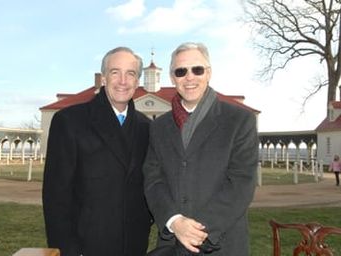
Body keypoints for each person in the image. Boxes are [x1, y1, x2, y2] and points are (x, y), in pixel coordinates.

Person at [143, 42, 259, 255]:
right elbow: (153, 179)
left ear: (209, 73)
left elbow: (241, 183)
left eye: (197, 69)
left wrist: (196, 232)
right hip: (171, 244)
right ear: (172, 78)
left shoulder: (239, 120)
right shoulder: (159, 127)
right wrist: (175, 221)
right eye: (181, 71)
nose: (189, 77)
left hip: (220, 245)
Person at [42, 46, 152, 256]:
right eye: (115, 72)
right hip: (87, 246)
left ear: (137, 82)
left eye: (130, 74)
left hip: (134, 245)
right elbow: (55, 196)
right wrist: (67, 250)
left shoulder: (145, 127)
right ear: (103, 78)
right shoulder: (70, 121)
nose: (123, 80)